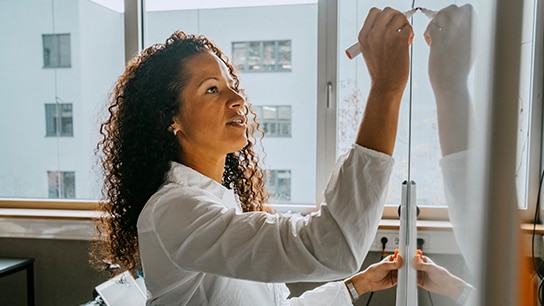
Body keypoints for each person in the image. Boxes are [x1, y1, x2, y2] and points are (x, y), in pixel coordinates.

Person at [93, 6, 425, 305]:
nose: (237, 97)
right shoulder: (173, 211)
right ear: (171, 119)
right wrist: (386, 88)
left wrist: (354, 287)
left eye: (231, 83)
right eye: (212, 89)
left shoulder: (220, 205)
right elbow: (332, 245)